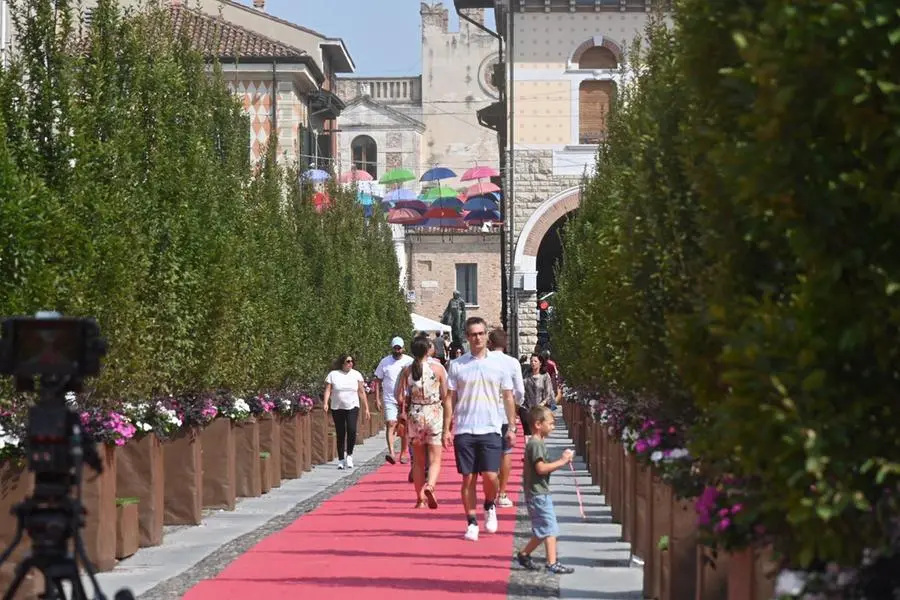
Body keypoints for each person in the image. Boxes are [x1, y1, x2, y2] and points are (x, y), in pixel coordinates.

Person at [444, 316, 517, 541]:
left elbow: (507, 396)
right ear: (467, 337)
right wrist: (447, 427)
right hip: (465, 428)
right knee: (468, 478)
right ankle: (472, 521)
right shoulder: (457, 365)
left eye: (481, 333)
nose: (477, 338)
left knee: (491, 475)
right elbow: (450, 398)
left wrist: (512, 426)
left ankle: (489, 504)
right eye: (473, 334)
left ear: (487, 336)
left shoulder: (500, 365)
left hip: (491, 427)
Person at [515, 405, 575, 574]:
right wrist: (562, 461)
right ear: (538, 424)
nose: (553, 427)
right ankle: (552, 562)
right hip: (538, 492)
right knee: (550, 528)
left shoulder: (537, 443)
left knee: (542, 529)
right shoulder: (536, 444)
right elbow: (540, 468)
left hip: (538, 491)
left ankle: (524, 554)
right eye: (551, 423)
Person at [396, 336, 449, 509]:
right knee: (435, 459)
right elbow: (446, 395)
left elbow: (399, 396)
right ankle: (431, 486)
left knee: (418, 461)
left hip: (415, 415)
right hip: (433, 413)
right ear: (428, 349)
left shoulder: (407, 370)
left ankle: (419, 499)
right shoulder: (438, 369)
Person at [486, 329, 525, 510]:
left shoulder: (484, 360)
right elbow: (520, 391)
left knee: (489, 455)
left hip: (486, 413)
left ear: (490, 343)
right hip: (505, 414)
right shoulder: (512, 363)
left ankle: (491, 491)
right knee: (506, 453)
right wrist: (515, 409)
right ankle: (502, 492)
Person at [323, 353, 370, 469]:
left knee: (352, 429)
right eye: (348, 361)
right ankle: (341, 459)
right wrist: (325, 403)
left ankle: (349, 454)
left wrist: (367, 408)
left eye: (351, 361)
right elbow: (328, 390)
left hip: (352, 406)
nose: (350, 364)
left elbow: (361, 392)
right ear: (342, 363)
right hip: (337, 407)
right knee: (340, 432)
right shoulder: (333, 375)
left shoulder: (356, 375)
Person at [374, 337, 414, 464]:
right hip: (389, 398)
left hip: (405, 399)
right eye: (395, 348)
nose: (397, 350)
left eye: (399, 348)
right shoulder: (385, 362)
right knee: (391, 423)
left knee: (404, 426)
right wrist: (377, 399)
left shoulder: (409, 361)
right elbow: (378, 380)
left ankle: (403, 452)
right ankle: (391, 452)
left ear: (403, 348)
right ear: (392, 348)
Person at [522, 353, 554, 442]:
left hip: (540, 409)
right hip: (527, 408)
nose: (533, 363)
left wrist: (542, 404)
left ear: (540, 363)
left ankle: (538, 452)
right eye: (531, 361)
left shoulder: (545, 376)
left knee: (539, 433)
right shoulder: (526, 375)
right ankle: (528, 452)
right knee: (528, 433)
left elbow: (548, 393)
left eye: (535, 361)